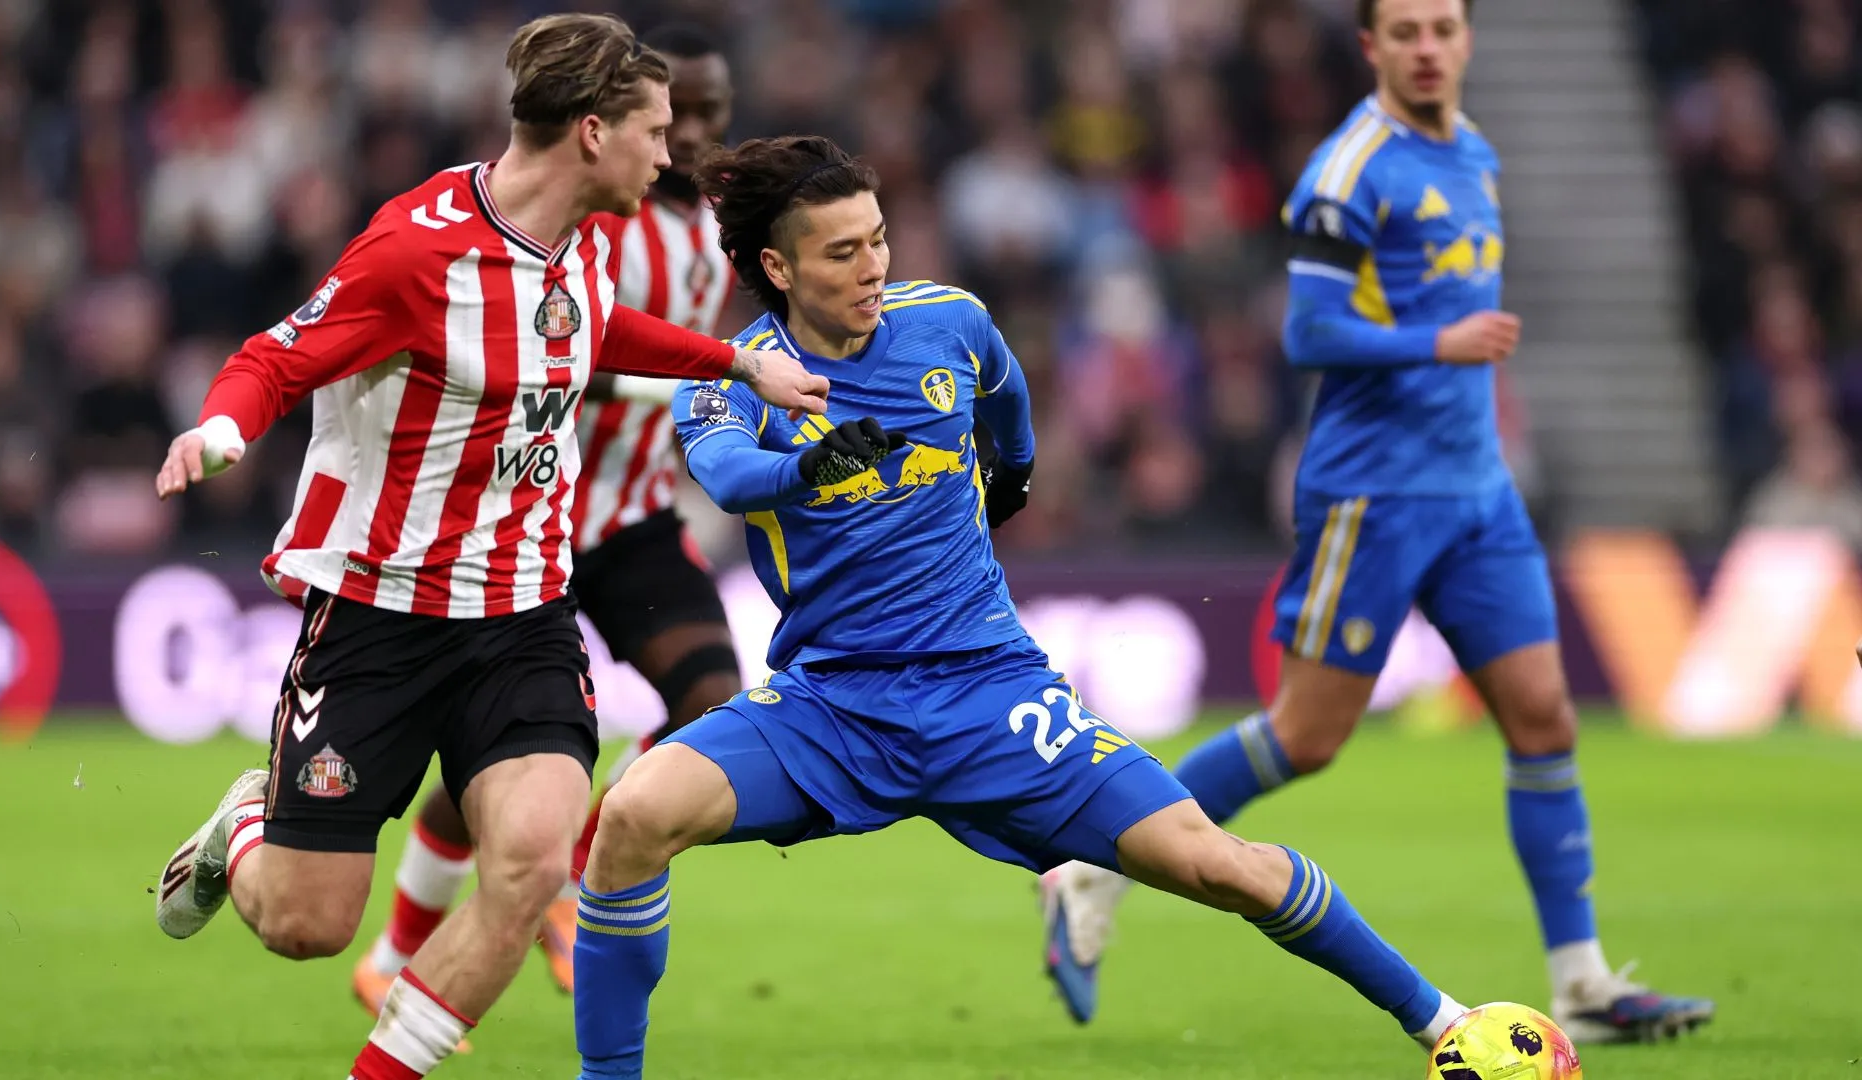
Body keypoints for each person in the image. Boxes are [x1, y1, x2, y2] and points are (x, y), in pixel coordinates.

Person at [568, 134, 1472, 1080]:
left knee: (1215, 864)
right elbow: (726, 476)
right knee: (634, 816)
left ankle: (1448, 1024)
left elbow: (1006, 395)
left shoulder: (948, 321)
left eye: (879, 239)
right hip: (829, 707)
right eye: (843, 252)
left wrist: (1019, 476)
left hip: (989, 694)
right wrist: (807, 466)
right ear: (776, 267)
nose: (874, 266)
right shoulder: (737, 373)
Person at [147, 16, 825, 1080]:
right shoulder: (416, 249)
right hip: (381, 615)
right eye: (653, 131)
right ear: (593, 134)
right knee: (303, 923)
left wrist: (733, 367)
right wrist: (223, 428)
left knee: (532, 868)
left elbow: (594, 329)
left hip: (522, 615)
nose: (670, 153)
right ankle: (247, 829)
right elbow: (278, 354)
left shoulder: (589, 240)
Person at [1039, 0, 1715, 1046]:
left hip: (1477, 489)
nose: (1429, 47)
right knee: (1307, 737)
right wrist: (1437, 345)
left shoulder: (1476, 153)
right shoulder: (1349, 172)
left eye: (1444, 27)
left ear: (1468, 38)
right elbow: (1308, 329)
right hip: (1374, 491)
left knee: (1544, 716)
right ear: (1372, 47)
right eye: (1406, 32)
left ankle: (1580, 980)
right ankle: (1095, 864)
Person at [347, 22, 746, 1031]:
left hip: (636, 516)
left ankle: (562, 879)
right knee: (497, 763)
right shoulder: (594, 218)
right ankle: (398, 949)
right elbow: (564, 349)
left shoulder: (713, 231)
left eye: (711, 115)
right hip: (538, 520)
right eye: (677, 114)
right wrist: (705, 390)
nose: (691, 135)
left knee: (714, 705)